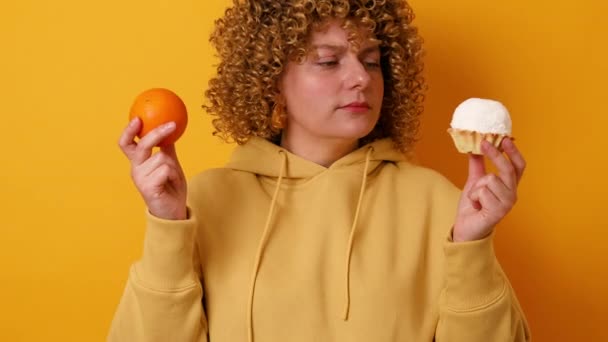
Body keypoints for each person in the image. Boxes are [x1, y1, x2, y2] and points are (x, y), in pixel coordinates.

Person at [109, 0, 531, 341]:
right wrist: (167, 225)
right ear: (271, 79)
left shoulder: (440, 203)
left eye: (371, 61)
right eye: (328, 62)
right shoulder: (203, 202)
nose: (359, 78)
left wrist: (472, 248)